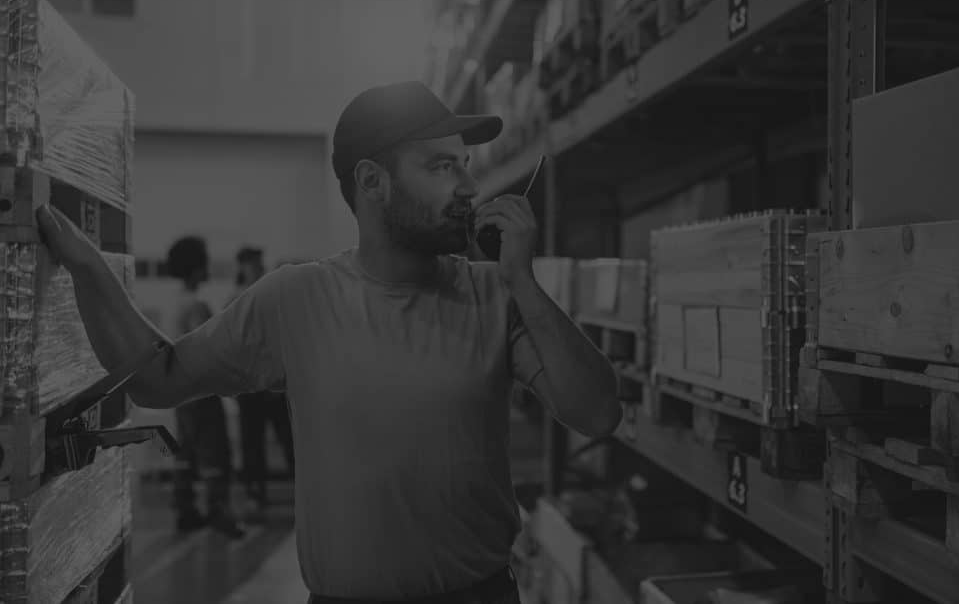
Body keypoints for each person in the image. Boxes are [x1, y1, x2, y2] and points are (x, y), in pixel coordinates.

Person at [35, 80, 622, 604]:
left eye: (465, 164)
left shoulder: (494, 294)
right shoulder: (295, 300)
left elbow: (596, 412)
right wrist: (87, 269)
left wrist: (524, 281)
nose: (470, 184)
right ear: (373, 182)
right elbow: (158, 379)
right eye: (442, 166)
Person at [165, 235, 246, 539]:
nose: (208, 268)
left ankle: (185, 510)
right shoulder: (196, 306)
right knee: (216, 453)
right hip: (201, 391)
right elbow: (209, 347)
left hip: (181, 394)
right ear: (195, 268)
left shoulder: (176, 302)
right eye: (204, 262)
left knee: (186, 453)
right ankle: (218, 510)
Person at [229, 246, 295, 521]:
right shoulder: (235, 300)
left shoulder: (272, 295)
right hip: (249, 388)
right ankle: (255, 494)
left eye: (257, 263)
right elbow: (232, 345)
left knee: (289, 440)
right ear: (242, 266)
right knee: (251, 443)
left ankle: (302, 490)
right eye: (250, 264)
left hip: (275, 386)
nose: (255, 268)